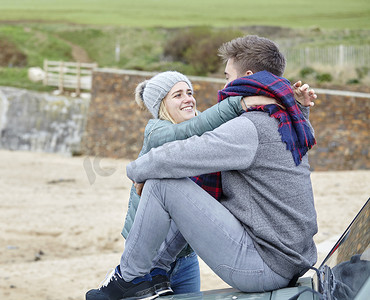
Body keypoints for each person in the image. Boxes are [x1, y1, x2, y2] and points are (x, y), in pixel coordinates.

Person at [87, 35, 318, 300]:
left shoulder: (251, 127)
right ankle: (156, 270)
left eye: (228, 76)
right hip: (291, 258)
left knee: (162, 183)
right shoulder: (288, 118)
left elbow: (182, 153)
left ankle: (128, 277)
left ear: (249, 76)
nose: (225, 83)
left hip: (264, 266)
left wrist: (137, 171)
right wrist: (299, 106)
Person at [121, 71, 284, 296]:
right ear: (161, 106)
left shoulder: (202, 127)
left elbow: (222, 127)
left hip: (186, 255)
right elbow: (192, 129)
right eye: (177, 95)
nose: (188, 98)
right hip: (149, 258)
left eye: (189, 92)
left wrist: (291, 101)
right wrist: (239, 103)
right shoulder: (157, 132)